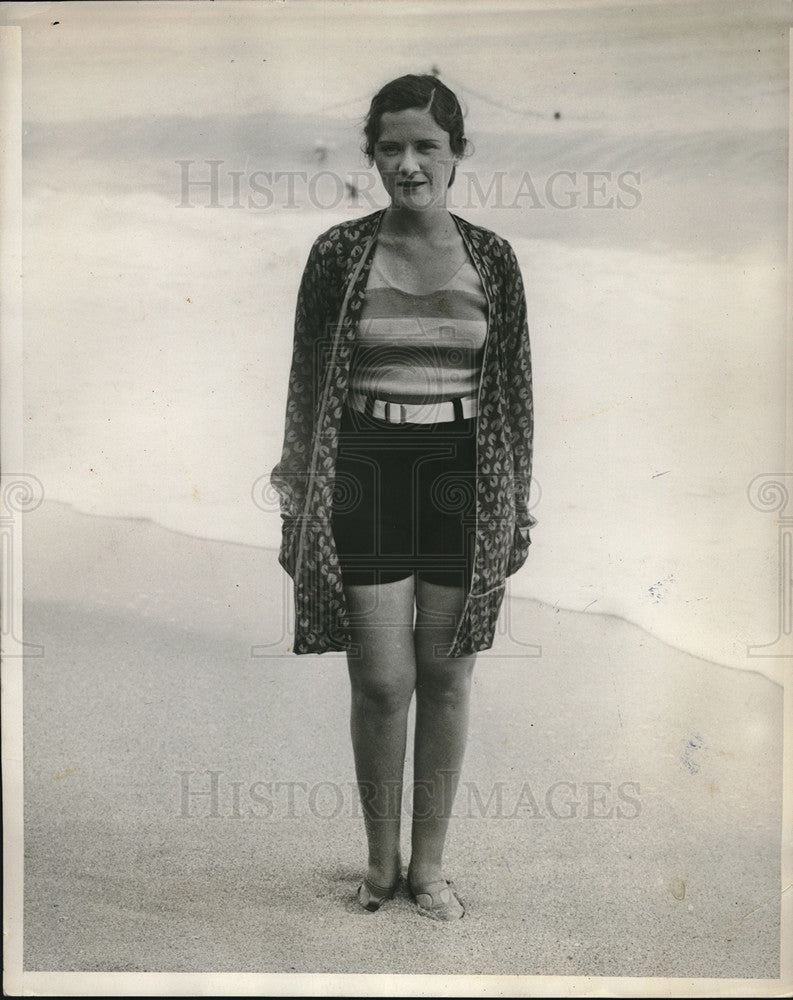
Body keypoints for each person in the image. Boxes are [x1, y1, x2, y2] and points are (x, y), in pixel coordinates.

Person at [270, 74, 535, 921]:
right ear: (372, 155)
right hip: (366, 468)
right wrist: (296, 498)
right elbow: (306, 382)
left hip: (463, 473)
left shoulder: (492, 258)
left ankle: (430, 868)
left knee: (446, 678)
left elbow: (516, 393)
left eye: (426, 146)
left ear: (458, 153)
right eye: (391, 148)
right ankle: (379, 865)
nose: (408, 164)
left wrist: (515, 508)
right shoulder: (338, 253)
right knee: (382, 682)